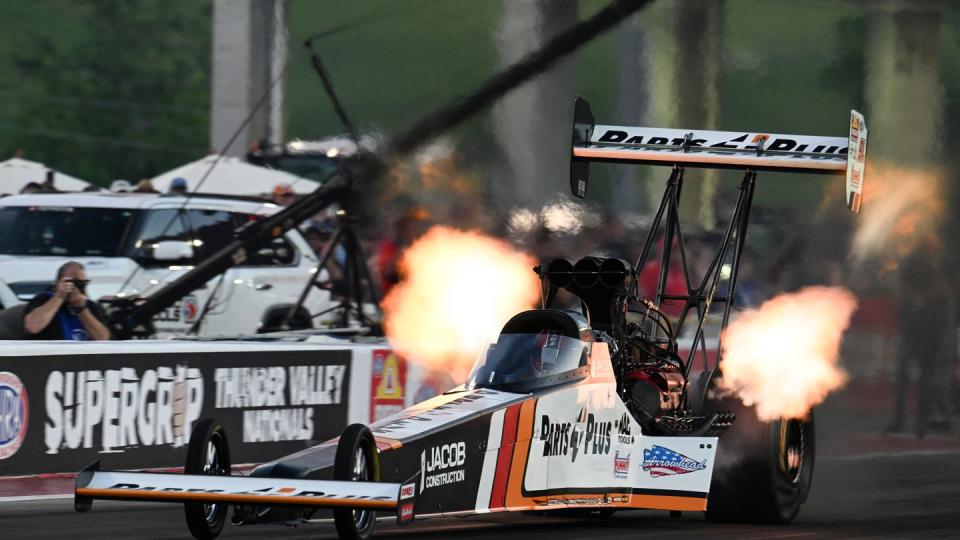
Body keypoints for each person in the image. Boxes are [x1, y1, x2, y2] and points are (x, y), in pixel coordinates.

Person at [22, 262, 111, 341]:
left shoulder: (91, 306)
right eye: (72, 282)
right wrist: (59, 297)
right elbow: (32, 327)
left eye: (82, 283)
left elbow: (103, 338)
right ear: (58, 282)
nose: (76, 287)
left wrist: (81, 309)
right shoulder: (43, 299)